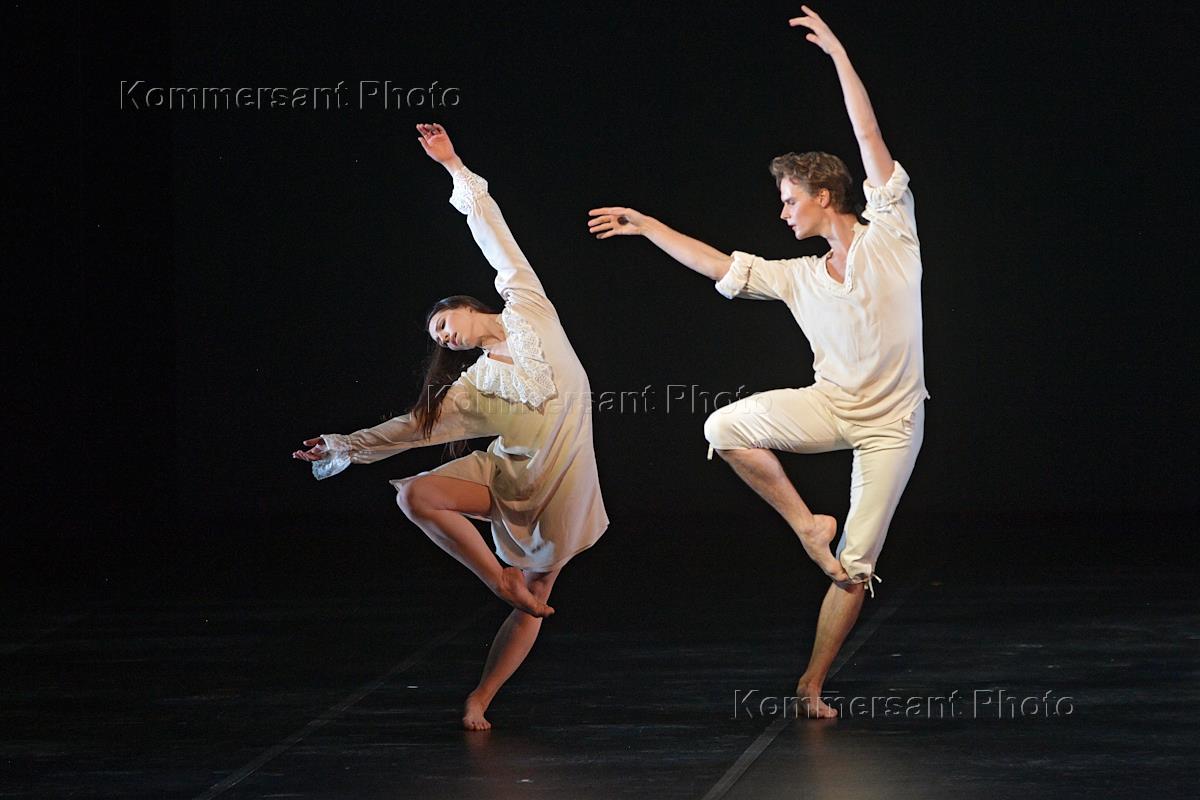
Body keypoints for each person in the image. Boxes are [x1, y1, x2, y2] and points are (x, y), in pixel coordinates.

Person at [587, 6, 928, 718]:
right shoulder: (798, 276)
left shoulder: (891, 236)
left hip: (892, 426)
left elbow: (868, 137)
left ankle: (811, 685)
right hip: (830, 405)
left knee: (856, 564)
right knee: (723, 429)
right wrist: (647, 226)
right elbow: (719, 264)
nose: (782, 213)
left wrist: (838, 56)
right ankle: (806, 525)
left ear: (824, 196)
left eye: (789, 200)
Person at [294, 123, 609, 730]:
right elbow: (412, 429)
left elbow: (495, 236)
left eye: (444, 325)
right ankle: (498, 580)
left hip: (562, 482)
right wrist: (344, 445)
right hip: (507, 472)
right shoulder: (474, 387)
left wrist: (452, 165)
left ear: (467, 307)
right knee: (417, 495)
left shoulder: (529, 309)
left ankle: (481, 697)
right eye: (438, 339)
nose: (445, 338)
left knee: (538, 600)